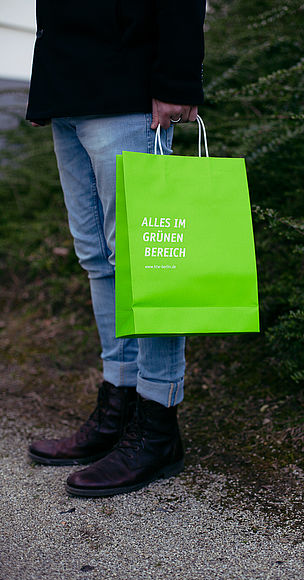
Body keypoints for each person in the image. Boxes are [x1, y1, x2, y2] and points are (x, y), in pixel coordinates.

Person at [26, 0, 206, 497]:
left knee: (148, 263)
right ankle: (118, 406)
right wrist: (47, 89)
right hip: (68, 88)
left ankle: (157, 423)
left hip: (129, 88)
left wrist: (176, 80)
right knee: (98, 259)